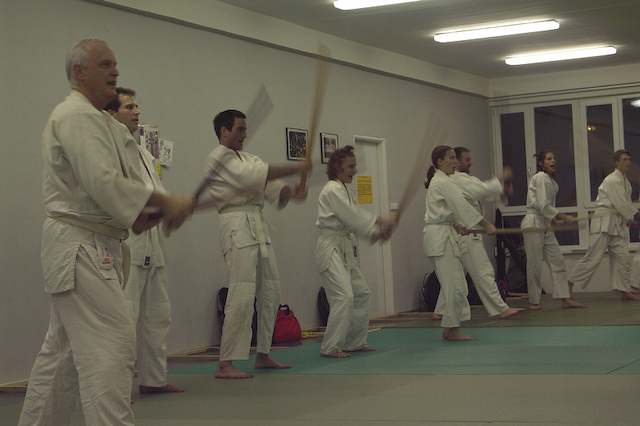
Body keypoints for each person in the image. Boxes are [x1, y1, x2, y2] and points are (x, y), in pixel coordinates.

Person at [19, 39, 195, 426]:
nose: (115, 71)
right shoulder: (75, 115)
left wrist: (150, 214)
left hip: (95, 241)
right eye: (104, 64)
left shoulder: (104, 124)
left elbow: (121, 190)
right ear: (79, 71)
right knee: (111, 344)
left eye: (115, 64)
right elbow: (102, 181)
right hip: (79, 245)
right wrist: (165, 202)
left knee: (63, 354)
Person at [200, 109, 311, 379]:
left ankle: (263, 353)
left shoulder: (249, 158)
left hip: (258, 224)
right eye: (239, 129)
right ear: (224, 131)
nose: (244, 134)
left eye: (245, 129)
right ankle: (225, 363)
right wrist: (295, 167)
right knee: (242, 292)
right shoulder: (217, 158)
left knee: (271, 290)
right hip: (236, 224)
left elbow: (272, 189)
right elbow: (252, 177)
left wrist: (291, 192)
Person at [105, 88, 184, 395]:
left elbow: (155, 196)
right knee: (125, 318)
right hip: (129, 244)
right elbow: (125, 197)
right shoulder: (110, 150)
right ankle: (118, 388)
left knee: (158, 316)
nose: (137, 111)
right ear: (111, 113)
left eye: (137, 106)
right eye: (129, 107)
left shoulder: (143, 154)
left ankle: (153, 379)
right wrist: (166, 205)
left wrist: (172, 209)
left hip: (154, 244)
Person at [315, 146, 396, 358]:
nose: (355, 170)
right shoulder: (331, 190)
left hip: (344, 247)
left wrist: (376, 234)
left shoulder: (344, 190)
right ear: (338, 167)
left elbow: (355, 217)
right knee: (344, 296)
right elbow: (352, 216)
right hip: (330, 248)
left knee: (361, 293)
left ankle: (354, 341)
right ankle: (330, 347)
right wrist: (379, 221)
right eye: (351, 166)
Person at [432, 147, 524, 320]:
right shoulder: (456, 179)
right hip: (467, 232)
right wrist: (501, 177)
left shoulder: (463, 179)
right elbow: (480, 190)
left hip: (462, 231)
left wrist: (501, 193)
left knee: (456, 274)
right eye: (467, 159)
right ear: (456, 161)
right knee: (483, 271)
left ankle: (441, 309)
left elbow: (480, 194)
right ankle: (500, 308)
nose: (471, 162)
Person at [423, 145, 497, 341]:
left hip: (443, 234)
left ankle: (450, 328)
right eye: (451, 158)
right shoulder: (443, 182)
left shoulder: (442, 181)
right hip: (440, 238)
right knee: (455, 285)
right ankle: (452, 329)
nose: (455, 162)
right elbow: (461, 205)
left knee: (456, 284)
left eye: (455, 157)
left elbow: (448, 209)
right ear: (440, 162)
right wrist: (485, 223)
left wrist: (458, 225)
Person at [568, 150, 640, 301]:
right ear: (617, 163)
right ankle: (568, 285)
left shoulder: (626, 183)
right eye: (624, 160)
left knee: (623, 257)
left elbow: (624, 205)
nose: (628, 162)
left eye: (629, 159)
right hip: (603, 221)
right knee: (593, 258)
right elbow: (621, 203)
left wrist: (629, 221)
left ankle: (624, 290)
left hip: (616, 223)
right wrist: (636, 213)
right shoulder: (612, 180)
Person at [521, 150, 585, 310]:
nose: (553, 161)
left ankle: (565, 298)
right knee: (535, 264)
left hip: (545, 224)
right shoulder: (540, 177)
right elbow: (542, 204)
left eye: (554, 158)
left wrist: (553, 218)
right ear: (541, 163)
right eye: (549, 159)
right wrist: (563, 216)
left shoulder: (550, 182)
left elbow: (545, 206)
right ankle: (534, 301)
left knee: (558, 261)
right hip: (533, 223)